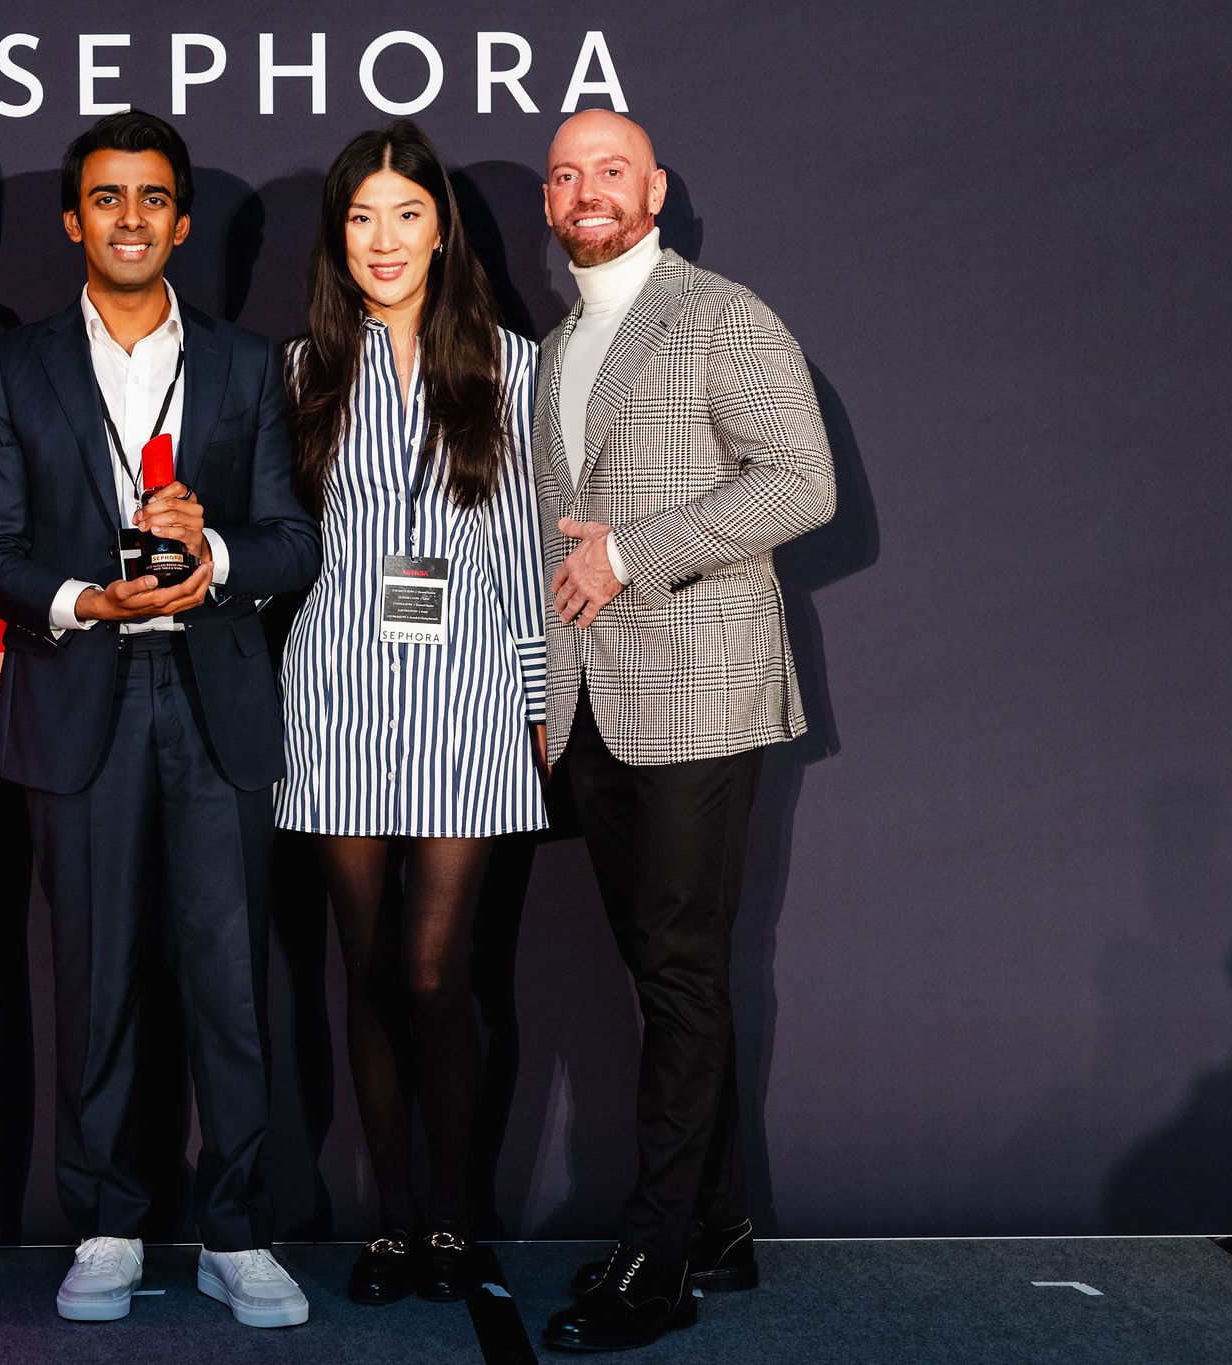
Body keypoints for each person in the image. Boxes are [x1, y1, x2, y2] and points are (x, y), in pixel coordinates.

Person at [0, 110, 321, 1331]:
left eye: (151, 198)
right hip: (79, 696)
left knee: (229, 985)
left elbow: (292, 540)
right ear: (72, 220)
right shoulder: (11, 368)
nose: (128, 218)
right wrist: (84, 599)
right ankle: (104, 1226)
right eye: (105, 197)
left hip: (214, 700)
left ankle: (238, 1233)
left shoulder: (242, 364)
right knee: (94, 980)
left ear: (180, 220)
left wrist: (214, 557)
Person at [530, 110, 836, 1352]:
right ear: (548, 202)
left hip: (701, 692)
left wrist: (630, 554)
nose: (586, 192)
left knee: (680, 975)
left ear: (653, 189)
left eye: (609, 171)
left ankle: (654, 1261)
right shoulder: (555, 346)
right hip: (591, 704)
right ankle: (715, 1227)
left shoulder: (720, 315)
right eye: (565, 176)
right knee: (663, 973)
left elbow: (801, 483)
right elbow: (551, 540)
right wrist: (545, 692)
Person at [276, 121, 547, 1306]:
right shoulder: (298, 372)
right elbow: (281, 546)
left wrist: (538, 703)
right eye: (359, 218)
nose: (382, 240)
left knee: (436, 973)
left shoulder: (511, 367)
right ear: (335, 238)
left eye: (404, 214)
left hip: (468, 698)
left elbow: (528, 550)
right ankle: (392, 1225)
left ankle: (451, 1219)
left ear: (442, 230)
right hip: (333, 700)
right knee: (369, 970)